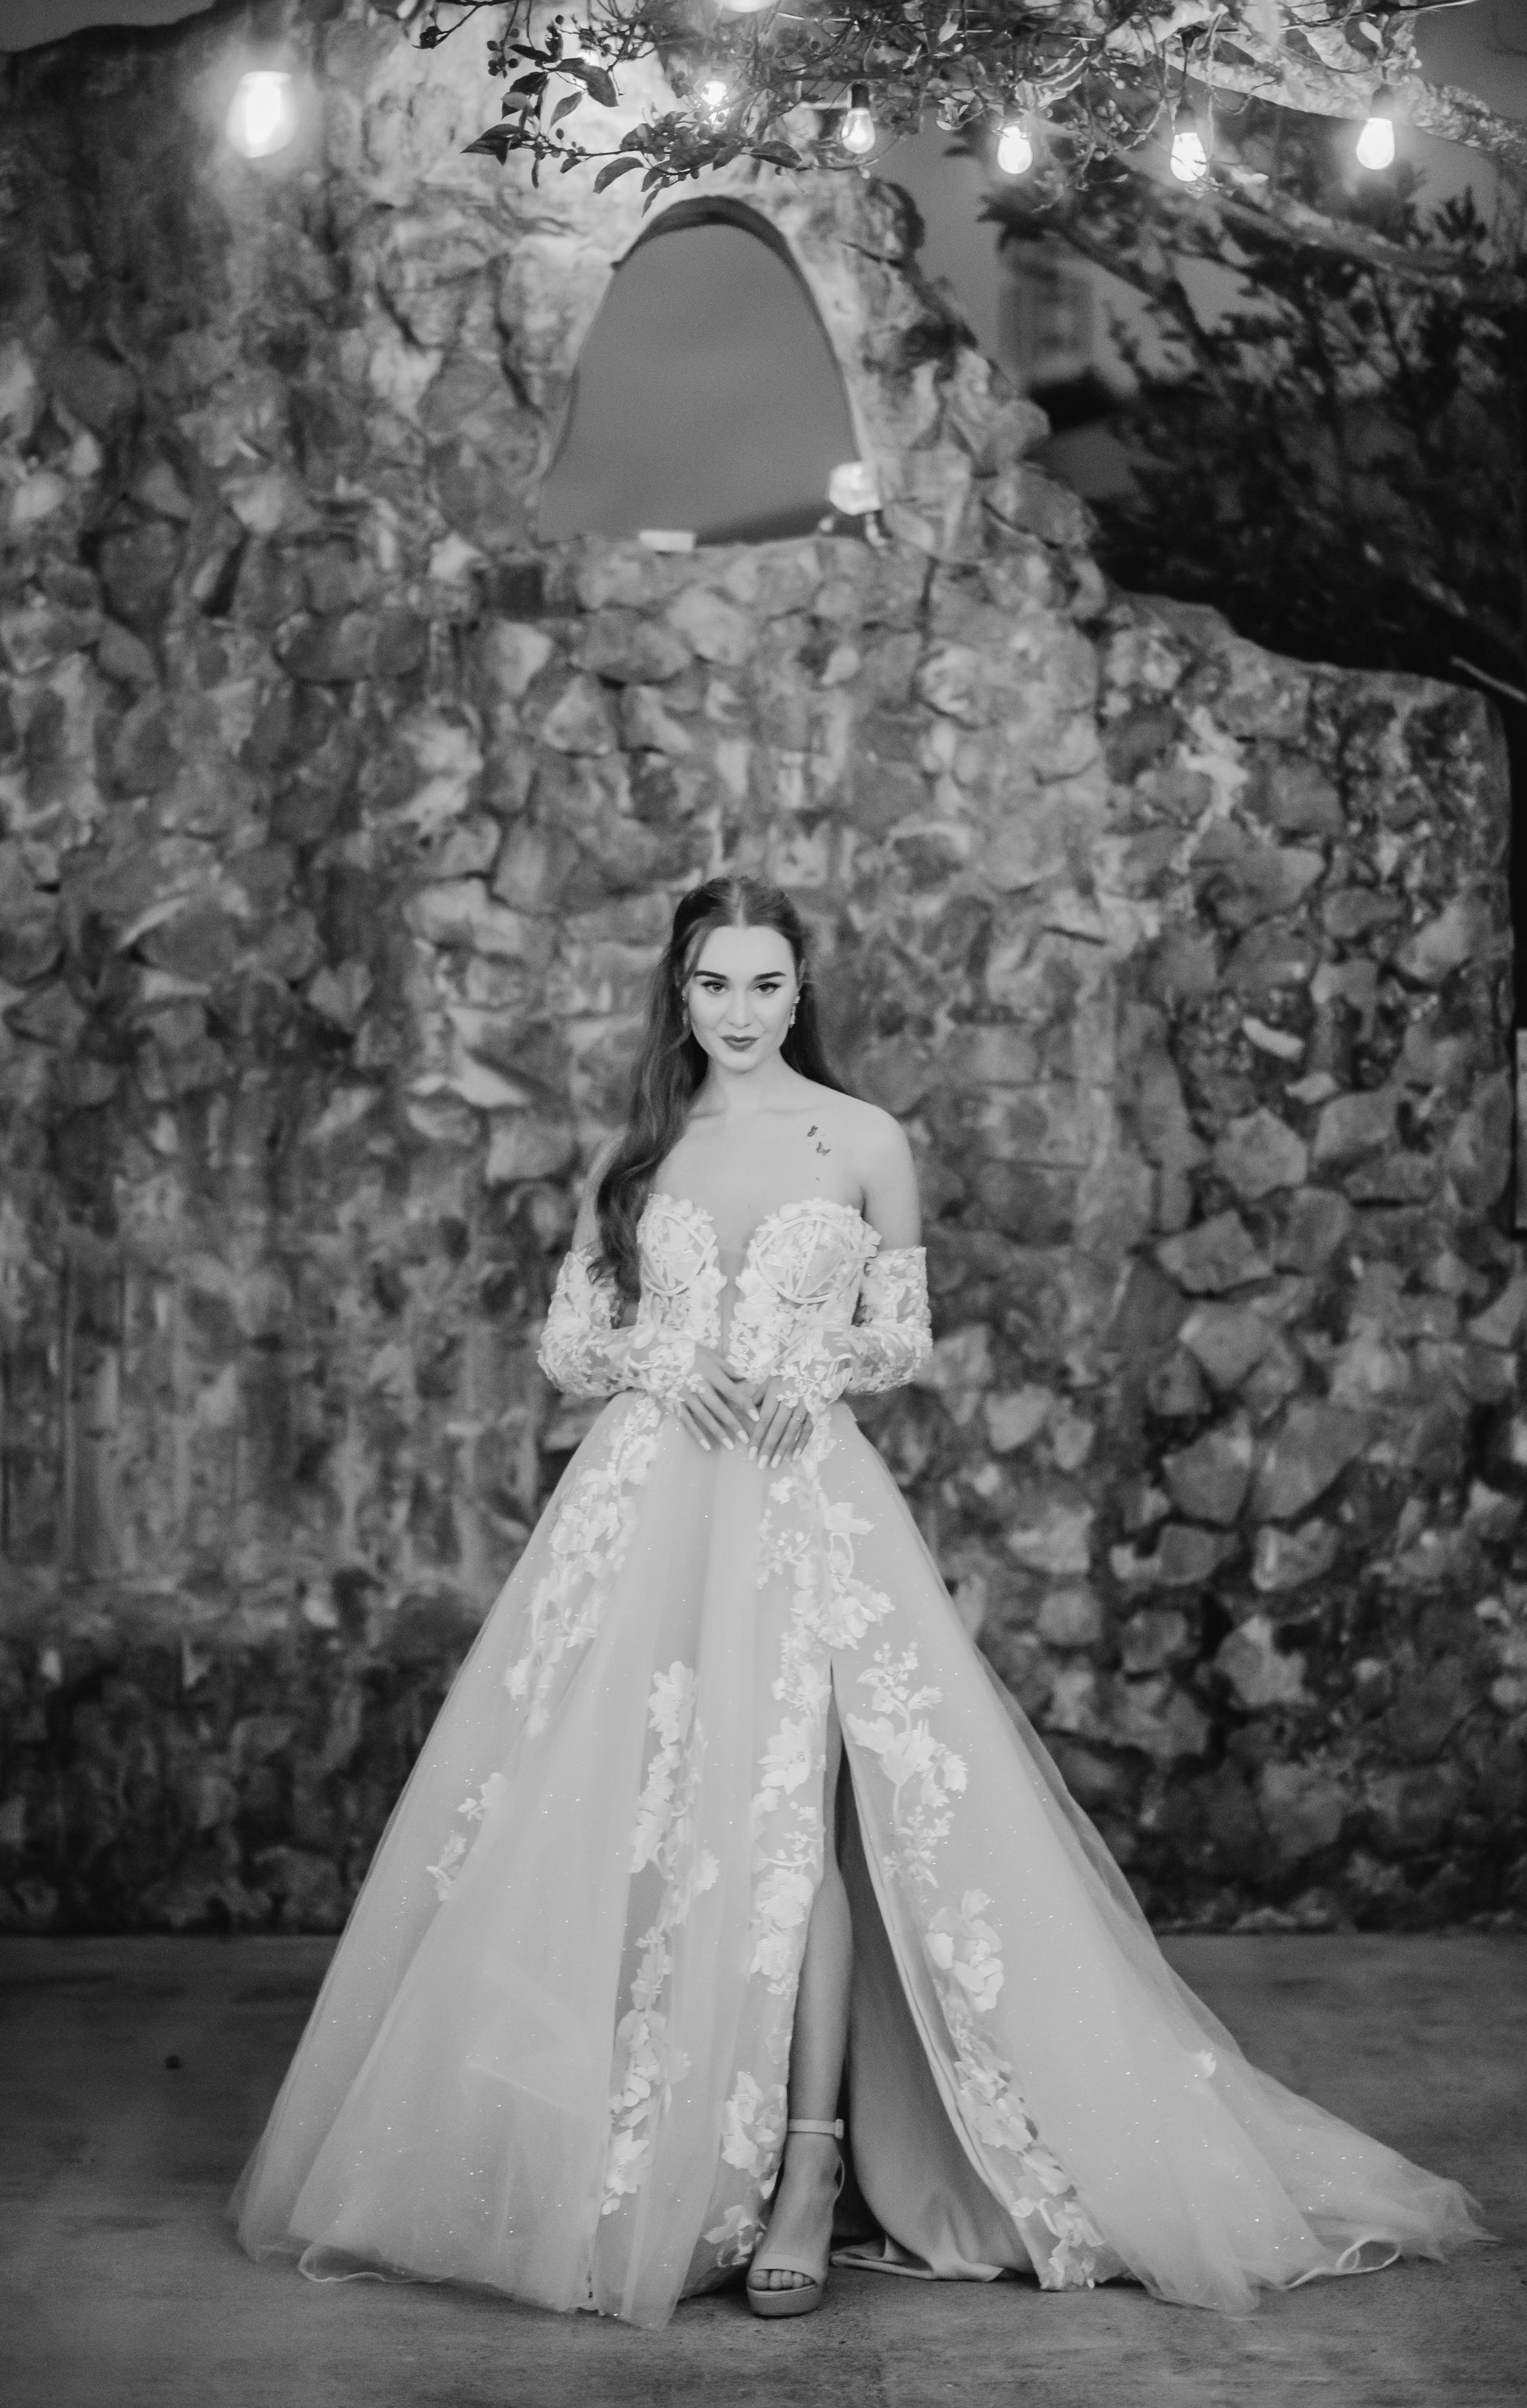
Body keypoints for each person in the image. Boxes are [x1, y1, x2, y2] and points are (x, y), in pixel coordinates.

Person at [231, 873, 1492, 2332]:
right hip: (644, 1511)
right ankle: (632, 2159)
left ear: (802, 990)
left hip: (796, 1502)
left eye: (767, 984)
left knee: (793, 1824)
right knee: (623, 1811)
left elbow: (904, 1332)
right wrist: (662, 1360)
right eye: (715, 984)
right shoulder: (644, 1146)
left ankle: (808, 2165)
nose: (742, 1012)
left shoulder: (865, 1138)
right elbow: (572, 1337)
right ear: (680, 994)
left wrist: (813, 1365)